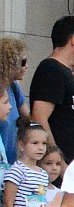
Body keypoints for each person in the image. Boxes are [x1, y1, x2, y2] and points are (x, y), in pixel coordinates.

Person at [29, 16, 74, 163]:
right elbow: (39, 117)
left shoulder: (64, 71)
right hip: (64, 169)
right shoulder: (51, 69)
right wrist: (58, 162)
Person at [0, 36, 29, 164]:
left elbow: (27, 117)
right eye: (23, 62)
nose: (26, 66)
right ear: (10, 62)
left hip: (12, 161)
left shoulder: (14, 87)